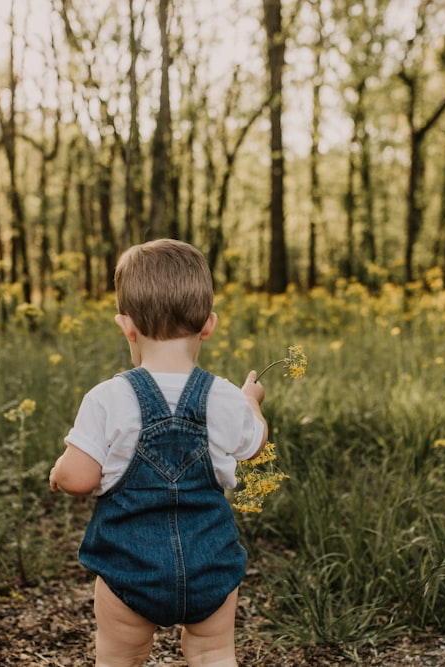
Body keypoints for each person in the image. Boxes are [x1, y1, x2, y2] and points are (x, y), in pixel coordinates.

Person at [49, 238, 268, 667]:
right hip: (211, 566)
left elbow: (79, 478)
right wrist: (252, 403)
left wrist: (60, 470)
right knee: (213, 653)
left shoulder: (108, 398)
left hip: (129, 571)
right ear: (208, 324)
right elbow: (254, 445)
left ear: (126, 326)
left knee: (118, 658)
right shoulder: (224, 398)